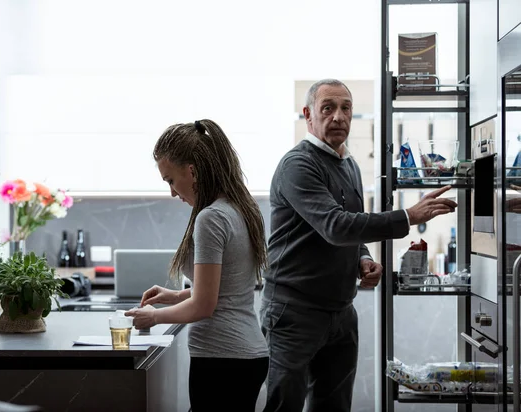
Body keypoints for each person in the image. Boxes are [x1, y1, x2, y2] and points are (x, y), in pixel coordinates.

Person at [260, 79, 458, 412]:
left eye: (345, 108)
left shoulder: (349, 164)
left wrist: (363, 259)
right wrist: (408, 215)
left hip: (341, 311)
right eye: (328, 108)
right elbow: (336, 227)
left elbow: (351, 226)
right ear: (308, 115)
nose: (338, 116)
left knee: (335, 406)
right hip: (294, 313)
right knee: (285, 406)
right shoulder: (298, 165)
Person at [126, 119, 269, 412]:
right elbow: (227, 286)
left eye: (170, 180)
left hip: (223, 359)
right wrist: (175, 295)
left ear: (191, 171)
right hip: (246, 355)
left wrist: (152, 317)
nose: (172, 192)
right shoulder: (240, 207)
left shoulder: (211, 218)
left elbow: (204, 306)